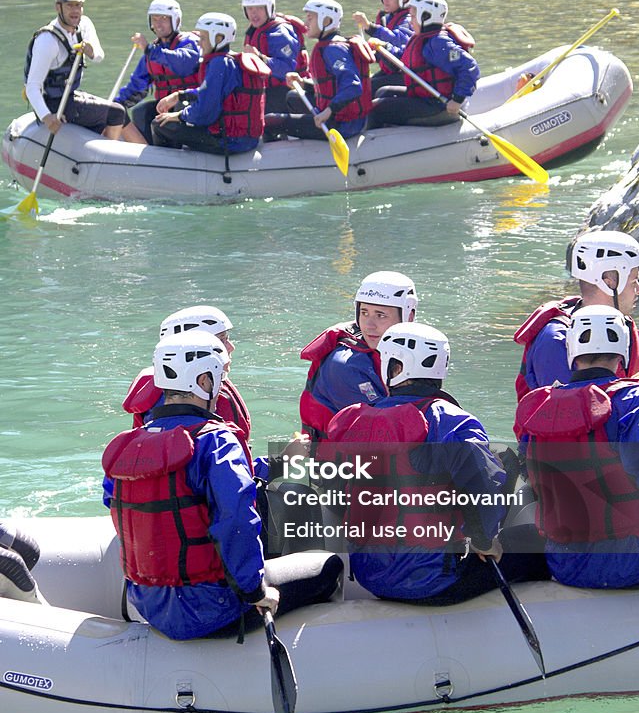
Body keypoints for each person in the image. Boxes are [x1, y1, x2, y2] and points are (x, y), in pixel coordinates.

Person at [102, 330, 343, 641]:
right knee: (328, 565)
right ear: (204, 382)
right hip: (214, 609)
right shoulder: (216, 440)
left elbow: (120, 510)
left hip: (149, 607)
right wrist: (256, 592)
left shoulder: (128, 446)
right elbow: (237, 522)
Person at [322, 322, 543, 604]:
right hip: (436, 582)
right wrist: (485, 542)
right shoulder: (454, 420)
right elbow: (485, 487)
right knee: (537, 544)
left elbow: (336, 493)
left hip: (369, 577)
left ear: (393, 367)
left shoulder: (356, 421)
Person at [515, 305, 639, 590]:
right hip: (636, 564)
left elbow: (529, 474)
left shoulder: (538, 406)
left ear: (571, 352)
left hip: (564, 564)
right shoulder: (636, 397)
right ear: (624, 352)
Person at [514, 229, 639, 403]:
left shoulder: (622, 326)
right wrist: (637, 393)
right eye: (633, 281)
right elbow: (565, 415)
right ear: (609, 283)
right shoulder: (555, 340)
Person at [122, 304, 253, 468]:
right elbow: (229, 477)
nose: (230, 347)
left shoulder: (169, 391)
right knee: (288, 472)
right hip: (220, 480)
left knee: (289, 461)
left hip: (220, 474)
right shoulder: (197, 398)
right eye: (221, 340)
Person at [300, 271, 418, 441]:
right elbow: (388, 429)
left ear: (409, 316)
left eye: (380, 315)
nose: (369, 325)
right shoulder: (344, 364)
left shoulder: (409, 353)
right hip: (330, 460)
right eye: (364, 313)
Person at [151, 12, 270, 156]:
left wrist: (179, 116)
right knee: (181, 107)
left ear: (218, 38)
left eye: (202, 38)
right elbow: (210, 93)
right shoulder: (230, 60)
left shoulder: (219, 64)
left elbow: (205, 112)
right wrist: (179, 96)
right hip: (245, 139)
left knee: (160, 124)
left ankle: (168, 170)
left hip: (229, 142)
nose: (199, 42)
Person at [24, 0, 126, 141]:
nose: (75, 11)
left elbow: (99, 57)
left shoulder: (84, 25)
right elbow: (32, 87)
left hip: (68, 96)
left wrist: (90, 51)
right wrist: (46, 117)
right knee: (117, 113)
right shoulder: (47, 41)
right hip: (52, 103)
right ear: (58, 7)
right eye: (69, 6)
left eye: (78, 5)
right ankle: (105, 160)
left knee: (113, 113)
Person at [264, 0, 373, 143]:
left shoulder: (333, 49)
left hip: (343, 125)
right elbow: (331, 86)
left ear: (326, 21)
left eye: (310, 18)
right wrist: (302, 83)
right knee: (292, 97)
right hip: (337, 116)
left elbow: (353, 86)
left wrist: (328, 112)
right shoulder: (328, 45)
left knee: (270, 121)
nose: (306, 22)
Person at [367, 0, 479, 130]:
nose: (410, 21)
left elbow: (470, 67)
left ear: (425, 17)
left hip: (440, 106)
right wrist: (385, 47)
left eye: (413, 17)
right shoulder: (422, 37)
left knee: (375, 109)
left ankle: (373, 146)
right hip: (425, 98)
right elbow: (403, 56)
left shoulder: (438, 43)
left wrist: (457, 100)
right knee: (383, 92)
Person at [114, 0, 201, 145]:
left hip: (190, 107)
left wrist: (149, 49)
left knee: (175, 110)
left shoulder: (189, 42)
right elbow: (136, 87)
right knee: (141, 112)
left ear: (176, 21)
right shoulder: (152, 53)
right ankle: (149, 155)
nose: (158, 24)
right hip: (165, 108)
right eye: (154, 19)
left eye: (164, 19)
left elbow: (183, 64)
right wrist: (115, 105)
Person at [241, 0, 309, 113]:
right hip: (267, 90)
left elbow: (287, 70)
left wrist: (261, 58)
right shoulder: (256, 29)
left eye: (259, 8)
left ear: (269, 8)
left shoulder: (280, 33)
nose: (254, 13)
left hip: (286, 92)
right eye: (250, 9)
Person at [352, 0, 416, 95]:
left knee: (367, 90)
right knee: (361, 85)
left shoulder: (410, 19)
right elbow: (385, 51)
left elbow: (398, 39)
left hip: (404, 75)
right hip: (391, 71)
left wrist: (370, 27)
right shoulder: (389, 18)